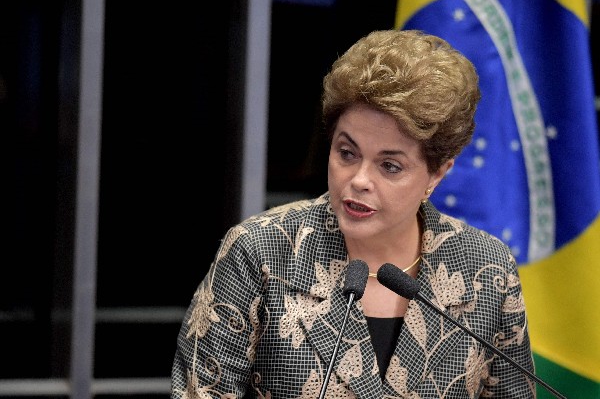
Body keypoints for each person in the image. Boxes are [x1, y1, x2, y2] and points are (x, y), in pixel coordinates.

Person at [171, 29, 535, 398]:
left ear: (437, 173)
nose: (359, 180)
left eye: (389, 166)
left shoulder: (486, 270)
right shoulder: (261, 251)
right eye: (347, 153)